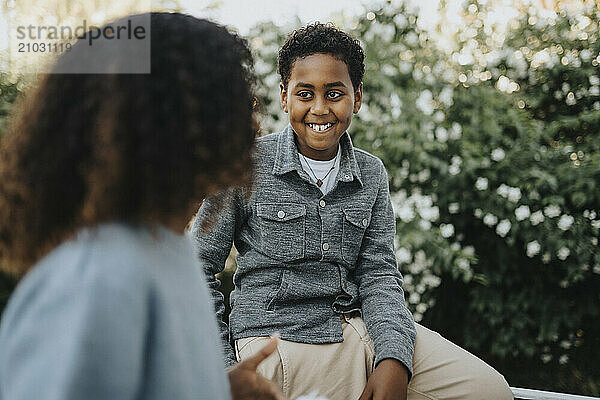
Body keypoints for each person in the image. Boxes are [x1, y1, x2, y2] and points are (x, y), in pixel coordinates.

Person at [192, 23, 514, 400]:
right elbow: (195, 267)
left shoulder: (371, 173)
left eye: (334, 94)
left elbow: (379, 272)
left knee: (489, 391)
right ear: (284, 97)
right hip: (277, 343)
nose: (319, 108)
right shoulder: (244, 164)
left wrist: (393, 357)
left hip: (360, 329)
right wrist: (223, 368)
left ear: (356, 98)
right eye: (305, 94)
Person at [0, 12, 285, 400]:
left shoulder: (169, 249)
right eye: (232, 101)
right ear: (172, 124)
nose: (253, 122)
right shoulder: (97, 281)